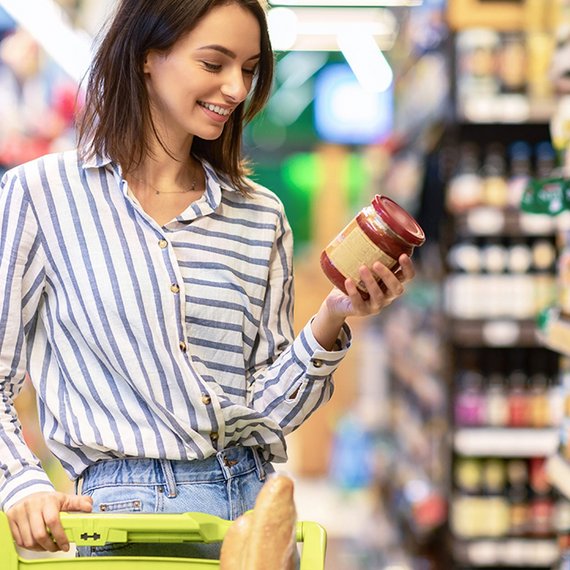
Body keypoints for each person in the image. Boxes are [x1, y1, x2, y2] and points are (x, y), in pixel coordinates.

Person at [0, 0, 416, 559]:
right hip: (124, 523)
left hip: (254, 513)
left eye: (249, 68)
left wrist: (331, 319)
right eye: (214, 63)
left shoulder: (260, 214)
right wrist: (22, 481)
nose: (236, 88)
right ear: (149, 55)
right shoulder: (42, 196)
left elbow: (264, 408)